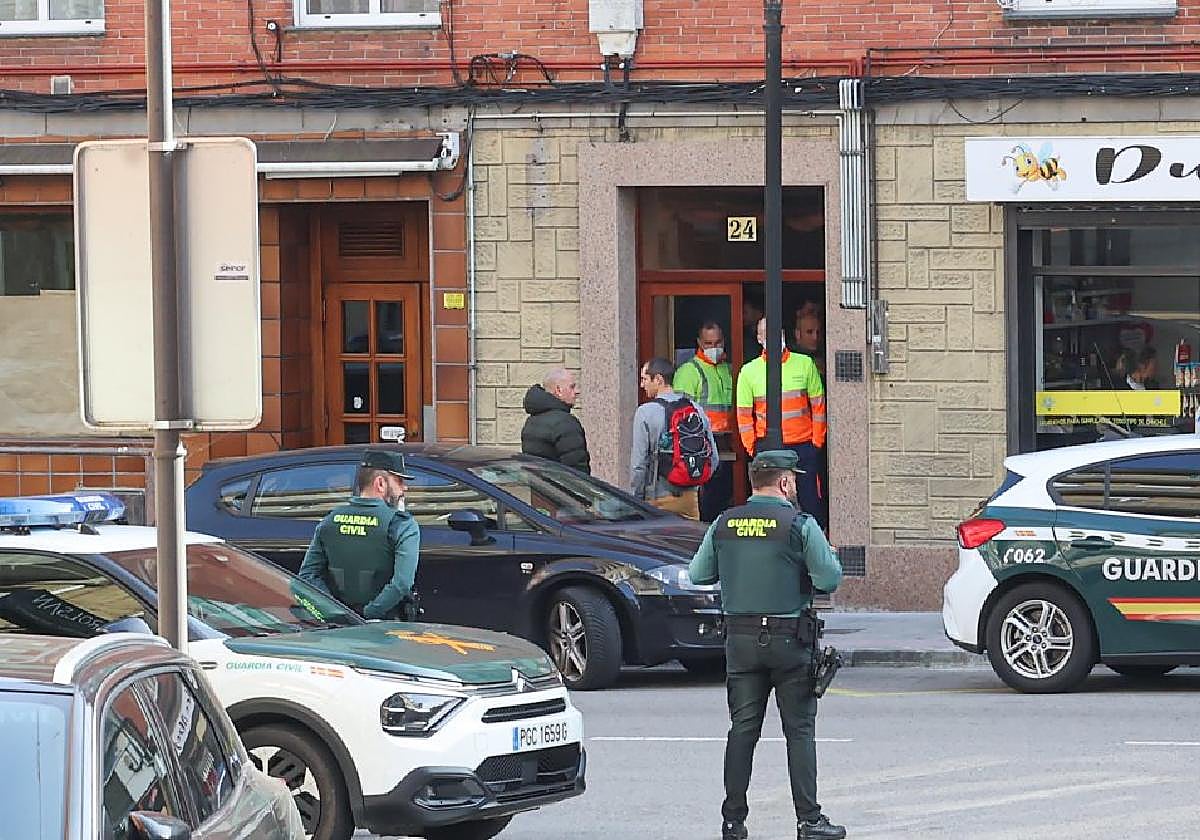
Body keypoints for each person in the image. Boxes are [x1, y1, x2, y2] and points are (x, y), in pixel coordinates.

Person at [688, 449, 845, 840]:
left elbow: (698, 573)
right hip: (789, 641)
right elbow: (828, 579)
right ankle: (809, 821)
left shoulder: (725, 523)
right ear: (786, 482)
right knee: (799, 732)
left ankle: (733, 821)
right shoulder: (800, 524)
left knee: (742, 730)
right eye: (795, 479)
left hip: (740, 641)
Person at [299, 449, 421, 620]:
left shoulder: (331, 520)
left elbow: (308, 576)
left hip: (337, 626)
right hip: (387, 627)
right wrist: (368, 614)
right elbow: (402, 583)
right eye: (399, 481)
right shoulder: (402, 524)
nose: (404, 488)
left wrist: (336, 611)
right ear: (380, 483)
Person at [737, 318, 829, 530]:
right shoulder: (749, 371)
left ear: (784, 336)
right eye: (767, 334)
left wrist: (816, 442)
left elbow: (818, 406)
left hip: (803, 446)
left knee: (809, 501)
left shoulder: (804, 364)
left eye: (777, 334)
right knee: (771, 503)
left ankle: (816, 541)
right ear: (759, 338)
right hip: (768, 447)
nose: (773, 339)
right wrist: (753, 447)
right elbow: (743, 416)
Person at [630, 357, 719, 520]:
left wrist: (636, 500)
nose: (642, 385)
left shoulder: (645, 412)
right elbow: (713, 458)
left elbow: (638, 465)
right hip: (689, 500)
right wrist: (693, 482)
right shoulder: (695, 408)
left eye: (644, 379)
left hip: (656, 500)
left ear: (658, 379)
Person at [673, 321, 736, 521]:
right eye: (708, 343)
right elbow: (681, 415)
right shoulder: (688, 372)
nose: (714, 348)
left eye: (717, 342)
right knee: (707, 504)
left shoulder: (728, 369)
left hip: (729, 444)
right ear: (699, 343)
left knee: (723, 499)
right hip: (702, 446)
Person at [520, 368, 591, 474]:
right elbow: (578, 473)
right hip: (561, 489)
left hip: (540, 488)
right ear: (558, 390)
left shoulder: (532, 421)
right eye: (572, 387)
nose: (577, 392)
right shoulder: (565, 423)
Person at [793, 311, 825, 380]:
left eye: (818, 332)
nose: (815, 337)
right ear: (798, 334)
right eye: (809, 332)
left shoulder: (826, 357)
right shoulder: (790, 359)